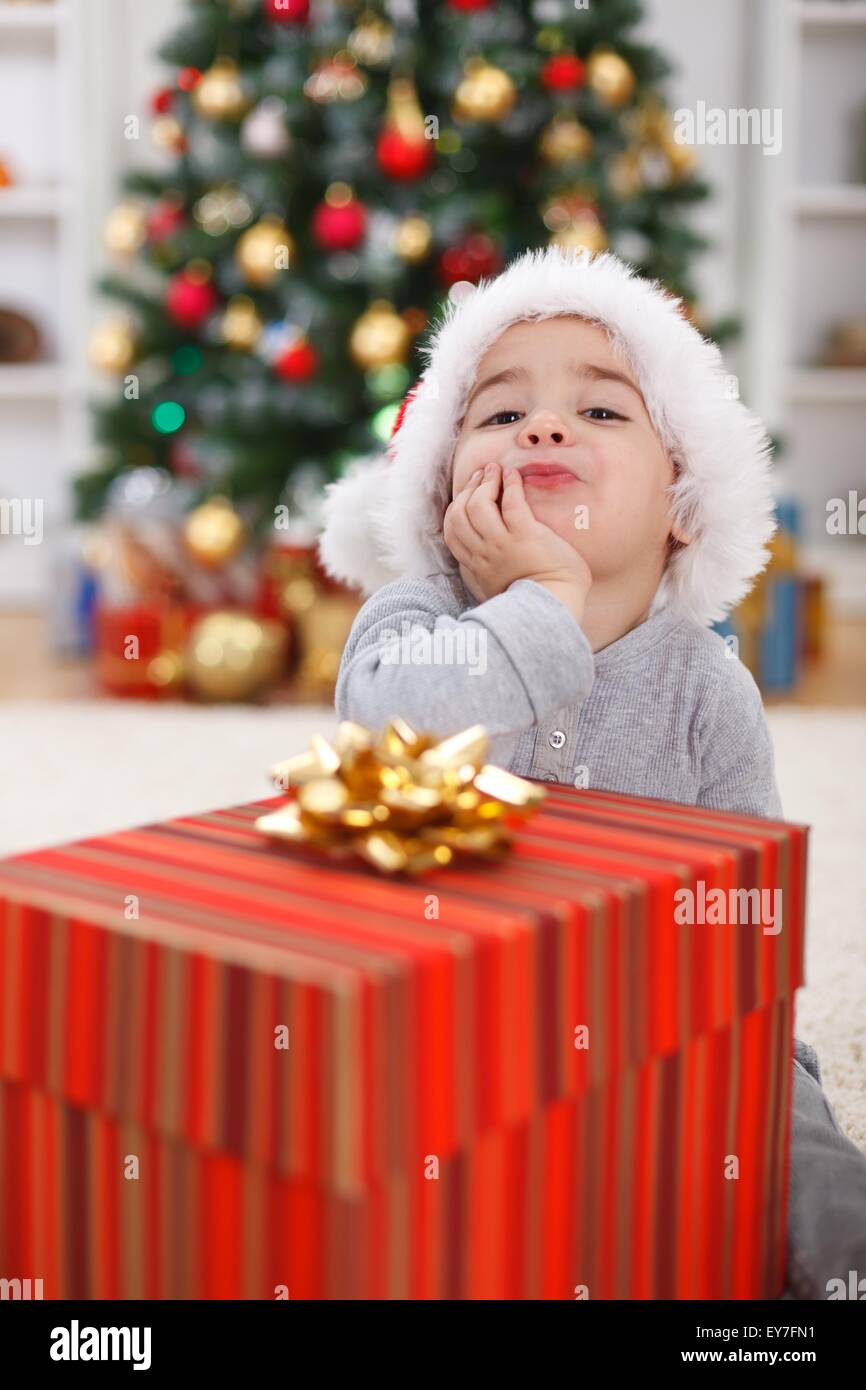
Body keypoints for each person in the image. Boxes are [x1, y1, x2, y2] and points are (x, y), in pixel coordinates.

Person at [317, 244, 866, 1299]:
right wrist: (541, 600)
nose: (544, 426)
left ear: (680, 506)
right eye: (497, 413)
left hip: (662, 1026)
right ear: (443, 501)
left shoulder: (705, 688)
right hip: (448, 1013)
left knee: (778, 1116)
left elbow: (746, 919)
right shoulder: (415, 621)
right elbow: (390, 738)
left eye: (602, 412)